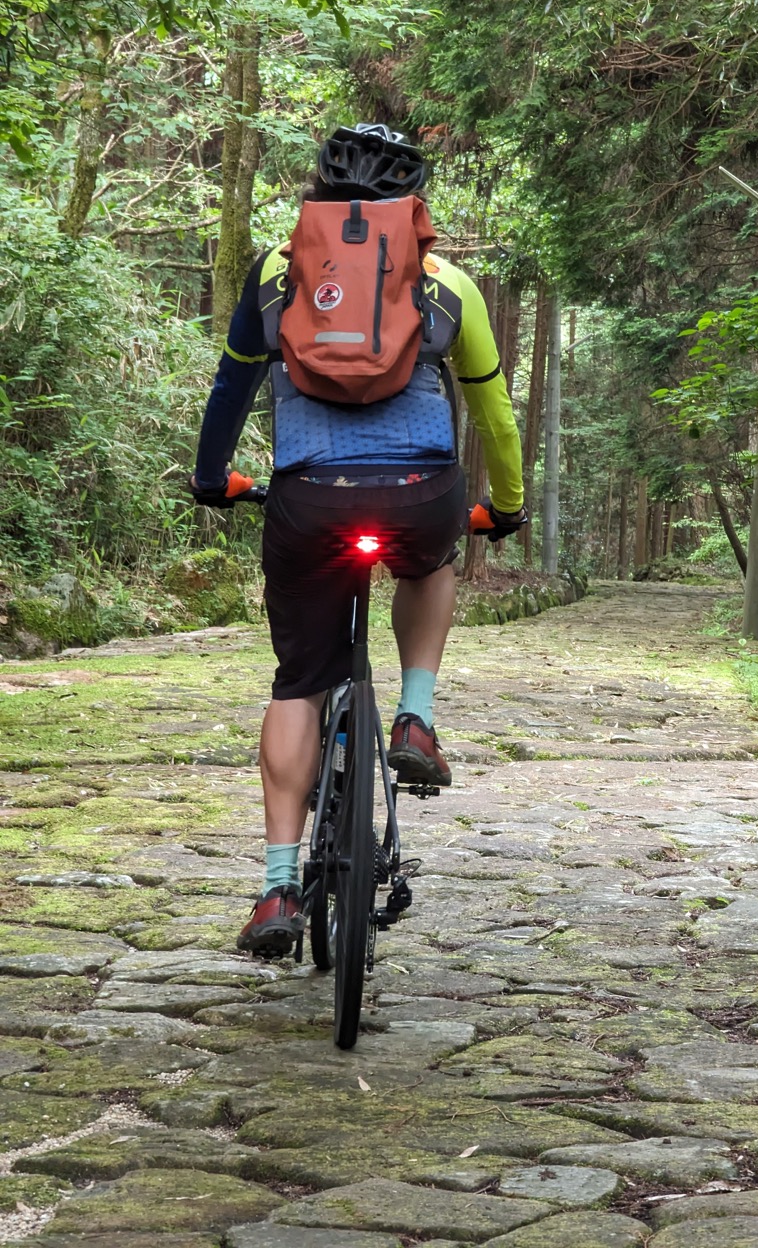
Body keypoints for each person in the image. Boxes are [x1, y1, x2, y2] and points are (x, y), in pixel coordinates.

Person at [191, 124, 525, 958]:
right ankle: (415, 718)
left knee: (300, 680)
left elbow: (231, 389)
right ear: (416, 203)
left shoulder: (278, 271)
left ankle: (275, 888)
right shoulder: (448, 285)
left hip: (307, 501)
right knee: (434, 559)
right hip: (422, 494)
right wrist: (507, 506)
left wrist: (210, 477)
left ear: (321, 194)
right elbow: (493, 414)